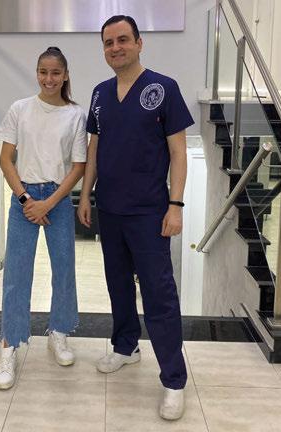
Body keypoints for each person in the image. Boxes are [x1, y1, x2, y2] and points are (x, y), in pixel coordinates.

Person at [77, 16, 194, 420]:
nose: (116, 48)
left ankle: (174, 380)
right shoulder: (99, 93)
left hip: (149, 212)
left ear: (139, 43)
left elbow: (178, 152)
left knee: (159, 295)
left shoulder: (164, 89)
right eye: (108, 42)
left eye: (123, 40)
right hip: (109, 210)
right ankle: (126, 346)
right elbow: (94, 148)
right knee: (118, 285)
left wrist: (175, 205)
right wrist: (86, 195)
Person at [0, 47, 87, 390]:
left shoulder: (76, 115)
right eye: (43, 72)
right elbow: (6, 160)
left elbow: (79, 166)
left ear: (65, 75)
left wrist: (48, 203)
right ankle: (9, 345)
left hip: (57, 200)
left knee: (64, 270)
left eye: (55, 73)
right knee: (16, 275)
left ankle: (58, 333)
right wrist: (26, 199)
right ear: (37, 73)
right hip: (24, 199)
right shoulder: (20, 109)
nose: (49, 79)